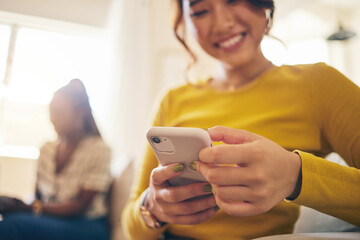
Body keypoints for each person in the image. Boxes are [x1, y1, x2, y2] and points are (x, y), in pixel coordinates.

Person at [122, 0, 360, 239]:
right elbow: (131, 230)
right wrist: (152, 207)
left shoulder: (318, 85)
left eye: (234, 0)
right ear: (185, 22)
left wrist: (295, 177)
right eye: (200, 11)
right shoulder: (171, 101)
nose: (222, 24)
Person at [0, 79, 112, 240]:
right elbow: (38, 196)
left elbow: (80, 206)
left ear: (79, 113)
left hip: (86, 225)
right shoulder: (46, 149)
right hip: (51, 219)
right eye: (51, 112)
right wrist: (18, 205)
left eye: (59, 113)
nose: (52, 119)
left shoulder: (99, 150)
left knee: (12, 226)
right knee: (9, 219)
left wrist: (33, 208)